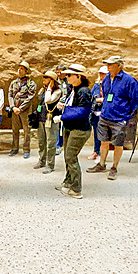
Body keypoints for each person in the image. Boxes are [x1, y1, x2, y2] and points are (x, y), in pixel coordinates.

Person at [87, 55, 138, 181]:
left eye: (111, 64)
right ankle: (101, 164)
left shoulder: (129, 81)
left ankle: (114, 167)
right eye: (107, 64)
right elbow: (106, 95)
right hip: (105, 116)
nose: (108, 67)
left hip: (119, 118)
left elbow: (136, 101)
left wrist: (126, 114)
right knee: (103, 142)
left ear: (119, 65)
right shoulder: (106, 78)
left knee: (118, 144)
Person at [55, 65, 92, 198]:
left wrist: (62, 116)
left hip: (79, 129)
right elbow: (74, 106)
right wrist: (64, 107)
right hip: (70, 127)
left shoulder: (84, 92)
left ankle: (76, 189)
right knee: (67, 156)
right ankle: (68, 182)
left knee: (71, 156)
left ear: (79, 76)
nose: (67, 77)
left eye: (70, 75)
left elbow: (81, 112)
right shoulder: (74, 89)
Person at [33, 71, 61, 173]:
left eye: (46, 78)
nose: (43, 79)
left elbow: (48, 100)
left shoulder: (57, 91)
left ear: (52, 80)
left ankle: (50, 164)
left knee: (51, 143)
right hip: (41, 118)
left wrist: (49, 88)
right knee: (41, 142)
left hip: (51, 119)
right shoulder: (43, 90)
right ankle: (42, 160)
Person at [8, 63, 37, 158]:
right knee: (15, 130)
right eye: (18, 68)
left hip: (25, 111)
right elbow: (10, 95)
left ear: (26, 71)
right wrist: (13, 107)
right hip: (15, 110)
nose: (19, 70)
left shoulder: (31, 83)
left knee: (26, 130)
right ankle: (14, 148)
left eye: (22, 69)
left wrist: (20, 108)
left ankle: (26, 149)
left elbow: (30, 97)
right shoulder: (13, 83)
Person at [89, 65, 109, 160]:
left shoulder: (110, 85)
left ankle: (102, 153)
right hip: (95, 112)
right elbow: (91, 96)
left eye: (103, 74)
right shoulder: (96, 86)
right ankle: (96, 151)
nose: (101, 75)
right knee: (96, 133)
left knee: (103, 134)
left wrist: (102, 100)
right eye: (100, 73)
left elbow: (111, 98)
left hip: (104, 112)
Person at [55, 66, 71, 155]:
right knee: (57, 126)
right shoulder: (54, 82)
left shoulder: (68, 81)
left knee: (65, 126)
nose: (59, 74)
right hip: (57, 106)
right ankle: (57, 145)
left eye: (61, 72)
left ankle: (63, 143)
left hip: (66, 106)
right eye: (58, 72)